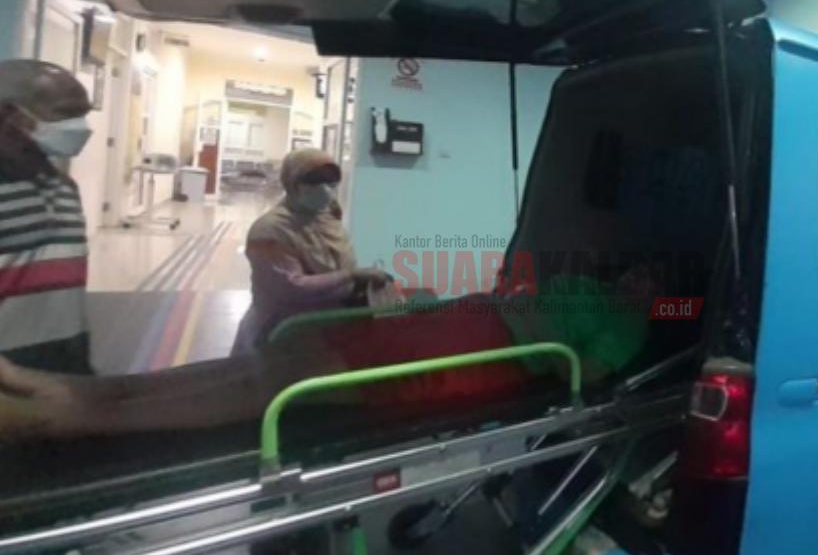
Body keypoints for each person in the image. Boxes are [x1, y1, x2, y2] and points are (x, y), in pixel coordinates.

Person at [0, 263, 661, 438]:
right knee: (259, 366)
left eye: (654, 279)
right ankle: (76, 391)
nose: (639, 276)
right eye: (640, 267)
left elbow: (585, 376)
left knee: (264, 389)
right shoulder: (589, 285)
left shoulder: (629, 324)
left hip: (477, 355)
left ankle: (71, 415)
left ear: (660, 295)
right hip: (455, 320)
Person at [231, 148, 392, 355]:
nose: (325, 190)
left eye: (331, 183)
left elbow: (340, 262)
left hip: (329, 327)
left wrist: (362, 284)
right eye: (314, 183)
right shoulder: (269, 230)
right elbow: (292, 287)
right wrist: (351, 275)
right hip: (282, 333)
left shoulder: (328, 217)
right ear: (292, 184)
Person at [0, 60, 94, 374]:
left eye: (83, 114)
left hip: (66, 370)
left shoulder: (64, 187)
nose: (81, 126)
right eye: (66, 113)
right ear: (11, 115)